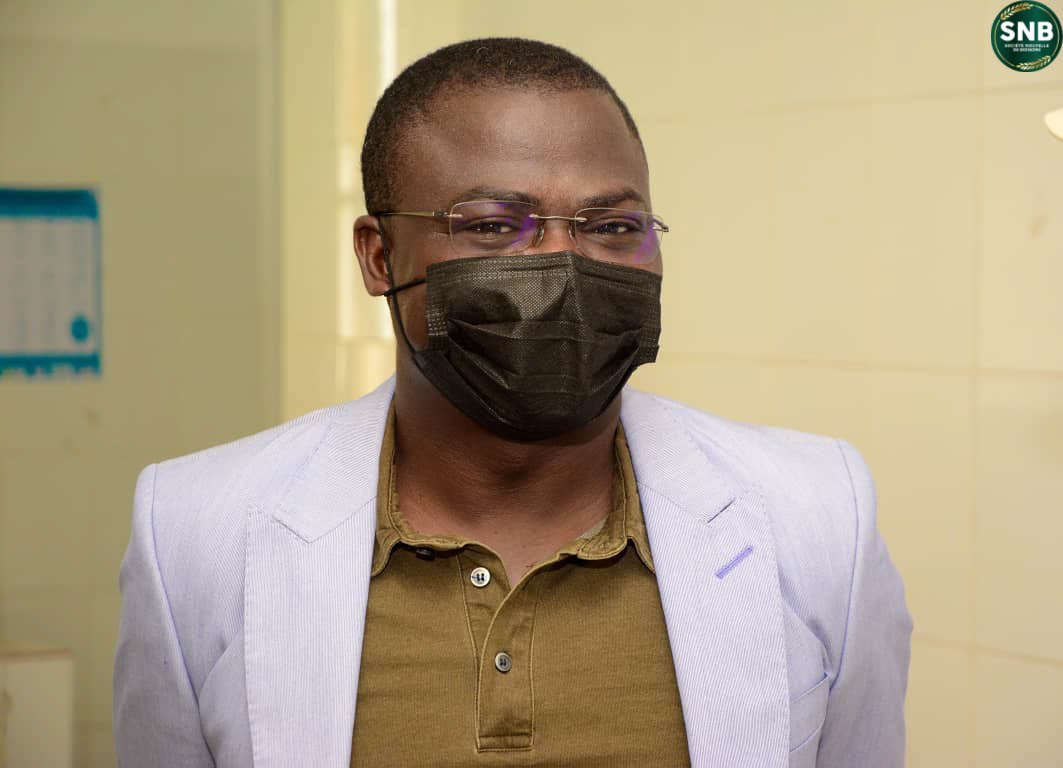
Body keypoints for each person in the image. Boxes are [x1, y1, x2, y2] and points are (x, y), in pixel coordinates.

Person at [113, 38, 911, 768]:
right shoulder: (195, 531)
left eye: (611, 225)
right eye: (495, 226)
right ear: (379, 254)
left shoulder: (815, 516)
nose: (563, 265)